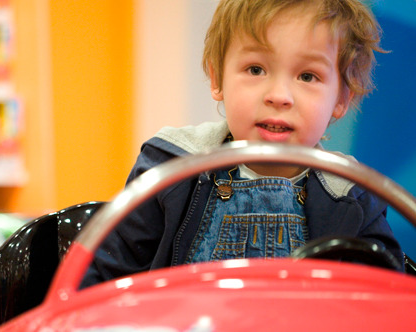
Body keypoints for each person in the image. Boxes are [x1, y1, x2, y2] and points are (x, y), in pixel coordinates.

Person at [81, 0, 404, 288]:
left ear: (341, 99)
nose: (278, 96)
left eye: (307, 76)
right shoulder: (170, 166)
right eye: (256, 69)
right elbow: (109, 278)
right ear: (217, 78)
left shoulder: (352, 191)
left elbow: (381, 296)